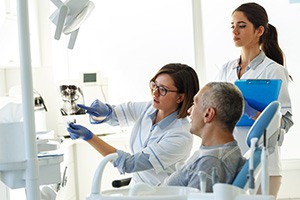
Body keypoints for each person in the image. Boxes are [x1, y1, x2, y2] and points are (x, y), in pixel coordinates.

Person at [67, 63, 200, 186]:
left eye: (163, 89)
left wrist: (89, 137)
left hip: (160, 194)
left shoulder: (180, 136)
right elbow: (115, 114)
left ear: (180, 97)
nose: (155, 92)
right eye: (154, 85)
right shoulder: (149, 108)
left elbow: (129, 164)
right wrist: (104, 112)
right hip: (137, 190)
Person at [216, 2, 293, 198]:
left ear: (259, 30)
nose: (235, 31)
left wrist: (257, 115)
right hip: (230, 163)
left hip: (264, 167)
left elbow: (286, 120)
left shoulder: (274, 70)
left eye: (241, 26)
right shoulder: (226, 69)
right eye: (232, 25)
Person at [162, 82, 245, 192]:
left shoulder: (211, 162)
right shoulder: (219, 152)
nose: (189, 111)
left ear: (208, 114)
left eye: (194, 104)